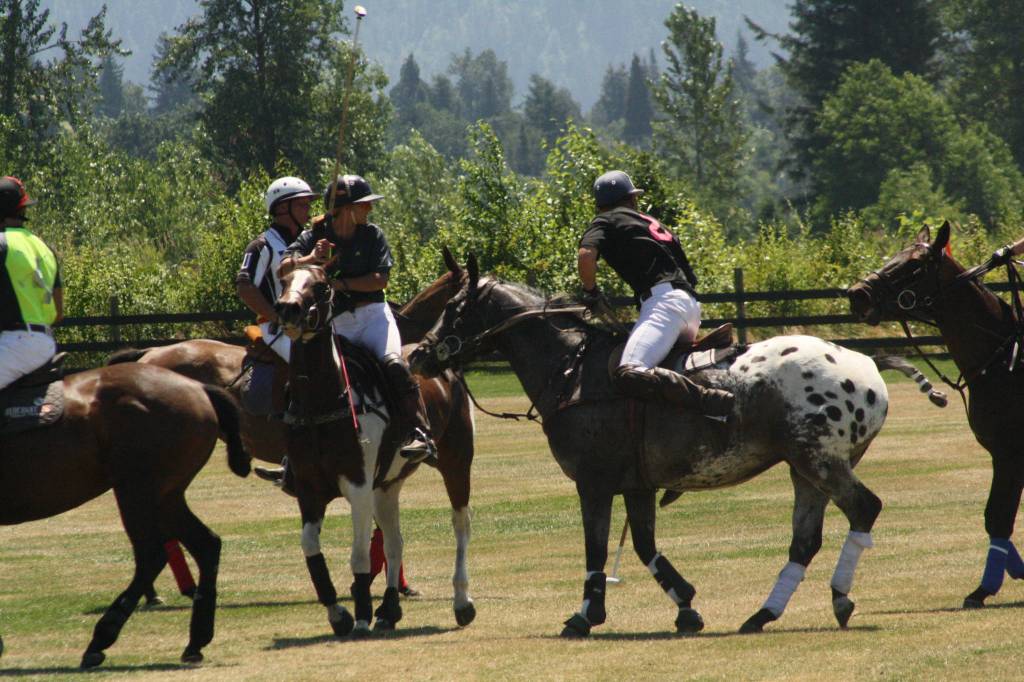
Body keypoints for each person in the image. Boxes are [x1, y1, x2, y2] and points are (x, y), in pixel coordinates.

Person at [280, 174, 436, 462]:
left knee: (394, 365)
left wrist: (339, 285)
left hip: (373, 318)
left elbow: (380, 280)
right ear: (346, 208)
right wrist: (311, 257)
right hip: (336, 323)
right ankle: (293, 453)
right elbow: (283, 270)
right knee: (306, 374)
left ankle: (417, 431)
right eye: (364, 205)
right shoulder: (315, 236)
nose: (370, 210)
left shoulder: (372, 234)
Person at [577, 170, 733, 416]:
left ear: (601, 205)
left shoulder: (605, 220)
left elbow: (586, 255)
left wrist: (590, 291)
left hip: (664, 306)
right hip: (689, 305)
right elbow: (688, 274)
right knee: (669, 369)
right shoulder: (652, 223)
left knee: (630, 371)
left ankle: (710, 402)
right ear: (630, 198)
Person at [238, 177, 318, 486]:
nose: (308, 208)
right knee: (305, 367)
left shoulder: (308, 241)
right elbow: (244, 285)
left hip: (312, 325)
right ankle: (292, 459)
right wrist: (277, 316)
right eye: (302, 203)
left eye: (309, 203)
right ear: (281, 208)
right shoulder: (263, 245)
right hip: (277, 329)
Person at [0, 176, 62, 392]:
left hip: (15, 343)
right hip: (44, 342)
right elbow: (58, 312)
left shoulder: (1, 244)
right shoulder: (44, 247)